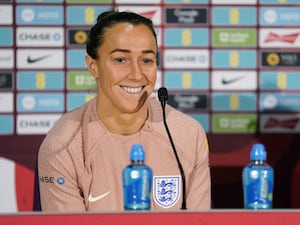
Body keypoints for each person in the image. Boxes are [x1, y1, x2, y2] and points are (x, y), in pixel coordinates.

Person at [38, 10, 211, 211]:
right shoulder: (62, 146)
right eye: (120, 59)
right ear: (93, 66)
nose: (137, 75)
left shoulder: (188, 134)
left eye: (146, 60)